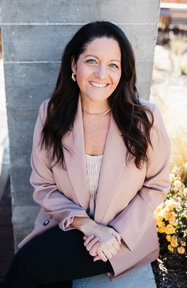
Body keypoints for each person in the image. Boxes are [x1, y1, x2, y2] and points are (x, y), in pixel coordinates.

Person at [0, 21, 171, 288]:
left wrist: (112, 234)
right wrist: (90, 227)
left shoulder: (144, 118)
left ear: (122, 71)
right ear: (73, 65)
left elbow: (156, 185)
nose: (102, 73)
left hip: (122, 239)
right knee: (35, 269)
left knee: (29, 265)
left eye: (113, 64)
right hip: (70, 226)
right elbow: (43, 186)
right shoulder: (52, 113)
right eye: (92, 61)